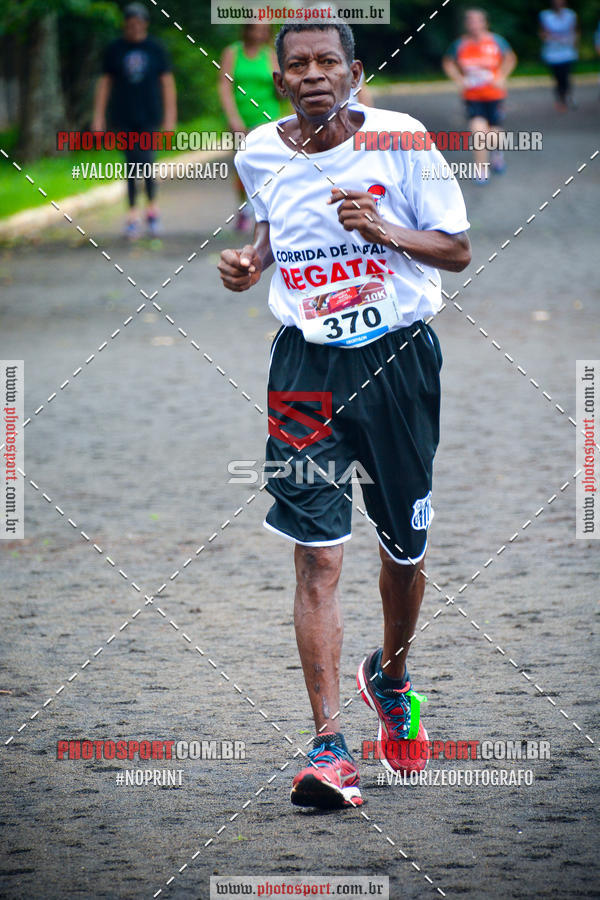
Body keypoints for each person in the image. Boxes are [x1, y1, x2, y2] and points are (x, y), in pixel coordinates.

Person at [218, 22, 471, 810]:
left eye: (330, 61)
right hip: (302, 366)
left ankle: (390, 679)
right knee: (317, 555)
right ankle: (329, 747)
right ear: (281, 77)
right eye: (299, 64)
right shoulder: (258, 151)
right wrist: (249, 262)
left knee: (404, 547)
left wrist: (384, 229)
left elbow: (458, 250)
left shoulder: (400, 140)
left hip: (397, 361)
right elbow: (270, 226)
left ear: (355, 72)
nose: (315, 74)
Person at [92, 3, 177, 238]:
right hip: (124, 115)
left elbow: (167, 83)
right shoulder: (115, 49)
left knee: (147, 161)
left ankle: (151, 209)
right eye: (130, 24)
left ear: (145, 24)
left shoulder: (155, 49)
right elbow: (105, 84)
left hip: (150, 114)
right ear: (125, 25)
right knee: (131, 164)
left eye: (139, 23)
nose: (134, 28)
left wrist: (170, 117)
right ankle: (131, 213)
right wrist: (98, 116)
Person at [219, 25, 281, 232]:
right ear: (246, 30)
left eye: (263, 30)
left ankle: (264, 210)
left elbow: (280, 86)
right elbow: (224, 87)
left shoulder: (270, 54)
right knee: (241, 166)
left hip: (267, 116)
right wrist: (233, 117)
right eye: (255, 29)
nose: (258, 34)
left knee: (266, 166)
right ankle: (244, 208)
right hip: (241, 117)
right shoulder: (232, 52)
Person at [442, 9, 517, 182]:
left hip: (494, 95)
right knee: (477, 129)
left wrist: (502, 76)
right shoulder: (460, 44)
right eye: (471, 22)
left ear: (485, 23)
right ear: (467, 25)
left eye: (478, 21)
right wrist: (459, 79)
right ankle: (481, 169)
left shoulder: (496, 41)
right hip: (472, 96)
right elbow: (448, 62)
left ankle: (496, 153)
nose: (474, 25)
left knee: (494, 133)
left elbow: (510, 58)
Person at [539, 0, 579, 111]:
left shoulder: (571, 15)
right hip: (552, 53)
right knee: (557, 77)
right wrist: (550, 38)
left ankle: (566, 97)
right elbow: (542, 32)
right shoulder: (545, 15)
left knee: (565, 76)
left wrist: (573, 44)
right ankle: (561, 98)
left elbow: (575, 31)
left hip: (567, 52)